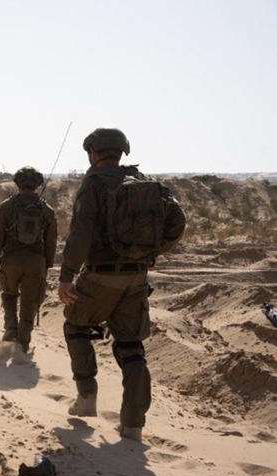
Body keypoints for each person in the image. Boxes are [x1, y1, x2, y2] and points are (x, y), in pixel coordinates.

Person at [58, 128, 186, 442]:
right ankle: (133, 425)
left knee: (75, 326)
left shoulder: (93, 183)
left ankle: (86, 396)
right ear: (121, 151)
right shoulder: (143, 181)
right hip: (136, 277)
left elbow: (81, 232)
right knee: (131, 347)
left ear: (93, 152)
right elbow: (177, 222)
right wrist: (150, 252)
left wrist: (66, 276)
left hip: (100, 276)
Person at [0, 166, 58, 352]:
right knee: (29, 302)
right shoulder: (47, 209)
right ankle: (23, 343)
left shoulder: (7, 206)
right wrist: (47, 264)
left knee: (9, 295)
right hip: (36, 262)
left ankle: (11, 326)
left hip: (11, 260)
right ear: (37, 184)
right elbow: (51, 241)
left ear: (17, 183)